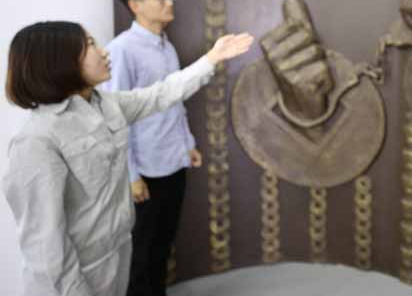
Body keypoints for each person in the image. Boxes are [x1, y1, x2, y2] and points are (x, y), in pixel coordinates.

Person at [3, 20, 252, 296]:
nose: (104, 52)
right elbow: (44, 244)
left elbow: (160, 94)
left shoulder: (106, 104)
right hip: (73, 278)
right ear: (58, 61)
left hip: (116, 257)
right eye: (90, 45)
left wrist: (211, 58)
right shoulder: (36, 140)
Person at [102, 0, 205, 296]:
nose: (169, 2)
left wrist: (186, 143)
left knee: (162, 246)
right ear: (135, 5)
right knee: (141, 255)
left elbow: (173, 101)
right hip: (144, 170)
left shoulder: (165, 46)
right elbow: (115, 116)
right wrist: (131, 175)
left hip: (171, 160)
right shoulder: (122, 50)